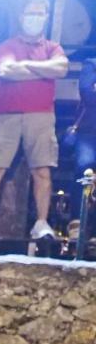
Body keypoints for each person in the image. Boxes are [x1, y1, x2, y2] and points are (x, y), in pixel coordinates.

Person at [0, 0, 70, 240]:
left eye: (40, 14)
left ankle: (41, 223)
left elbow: (61, 69)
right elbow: (6, 71)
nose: (35, 18)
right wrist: (42, 67)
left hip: (41, 115)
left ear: (46, 18)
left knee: (42, 170)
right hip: (5, 116)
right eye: (31, 13)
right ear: (21, 16)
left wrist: (26, 66)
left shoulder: (53, 47)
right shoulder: (7, 46)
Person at [66, 56, 96, 231]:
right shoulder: (91, 64)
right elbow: (87, 93)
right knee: (84, 167)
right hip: (88, 132)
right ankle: (76, 220)